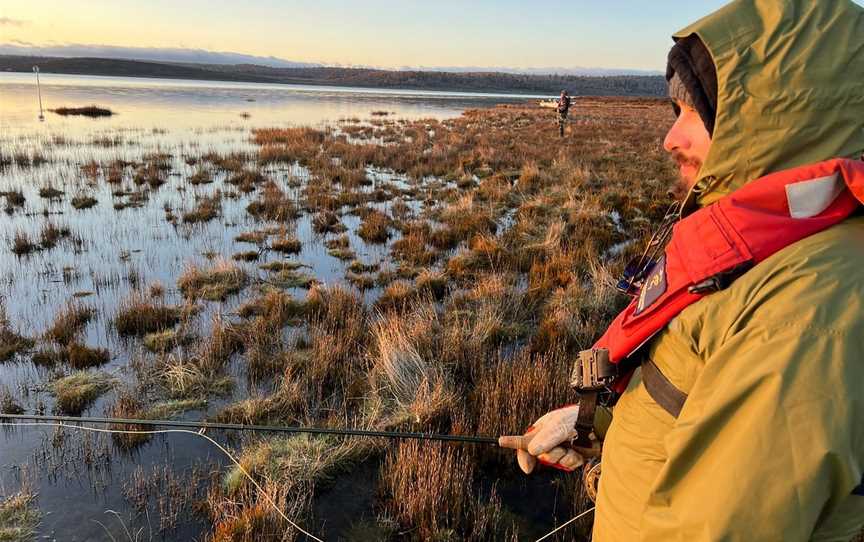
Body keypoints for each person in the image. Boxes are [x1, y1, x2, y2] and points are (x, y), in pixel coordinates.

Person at [500, 0, 864, 540]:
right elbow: (698, 412)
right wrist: (597, 427)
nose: (671, 139)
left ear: (772, 125)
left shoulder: (804, 314)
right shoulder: (775, 256)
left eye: (695, 114)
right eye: (675, 114)